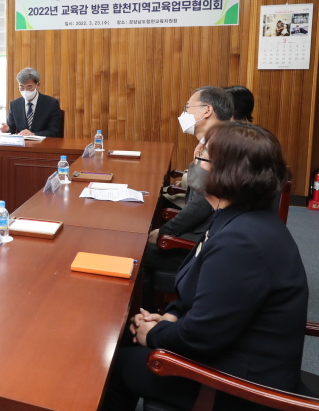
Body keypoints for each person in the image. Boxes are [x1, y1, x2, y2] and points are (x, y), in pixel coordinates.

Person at [102, 122, 308, 410]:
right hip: (225, 351)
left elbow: (201, 338)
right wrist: (170, 317)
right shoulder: (233, 216)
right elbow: (198, 292)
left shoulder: (242, 241)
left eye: (202, 156)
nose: (194, 163)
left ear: (227, 172)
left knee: (112, 364)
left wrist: (153, 333)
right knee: (122, 340)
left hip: (238, 386)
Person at [143, 86, 234, 308]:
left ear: (206, 111)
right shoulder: (215, 140)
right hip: (207, 231)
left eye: (187, 108)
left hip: (204, 240)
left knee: (135, 251)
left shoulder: (219, 145)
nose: (183, 114)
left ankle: (142, 313)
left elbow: (202, 203)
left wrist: (165, 232)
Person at [0, 67, 62, 137]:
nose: (25, 91)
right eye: (22, 87)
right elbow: (12, 129)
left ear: (38, 85)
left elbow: (54, 131)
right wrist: (7, 129)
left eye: (29, 87)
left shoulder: (51, 104)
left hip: (43, 145)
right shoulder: (14, 104)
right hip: (21, 145)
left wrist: (33, 134)